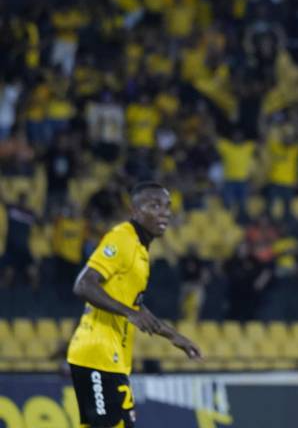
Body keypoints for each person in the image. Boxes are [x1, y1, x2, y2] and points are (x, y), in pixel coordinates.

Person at [67, 181, 202, 427]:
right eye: (155, 205)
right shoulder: (122, 238)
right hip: (96, 353)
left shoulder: (140, 250)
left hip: (114, 358)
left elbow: (136, 306)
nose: (165, 212)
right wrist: (130, 313)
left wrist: (174, 336)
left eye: (167, 206)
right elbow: (84, 284)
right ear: (135, 211)